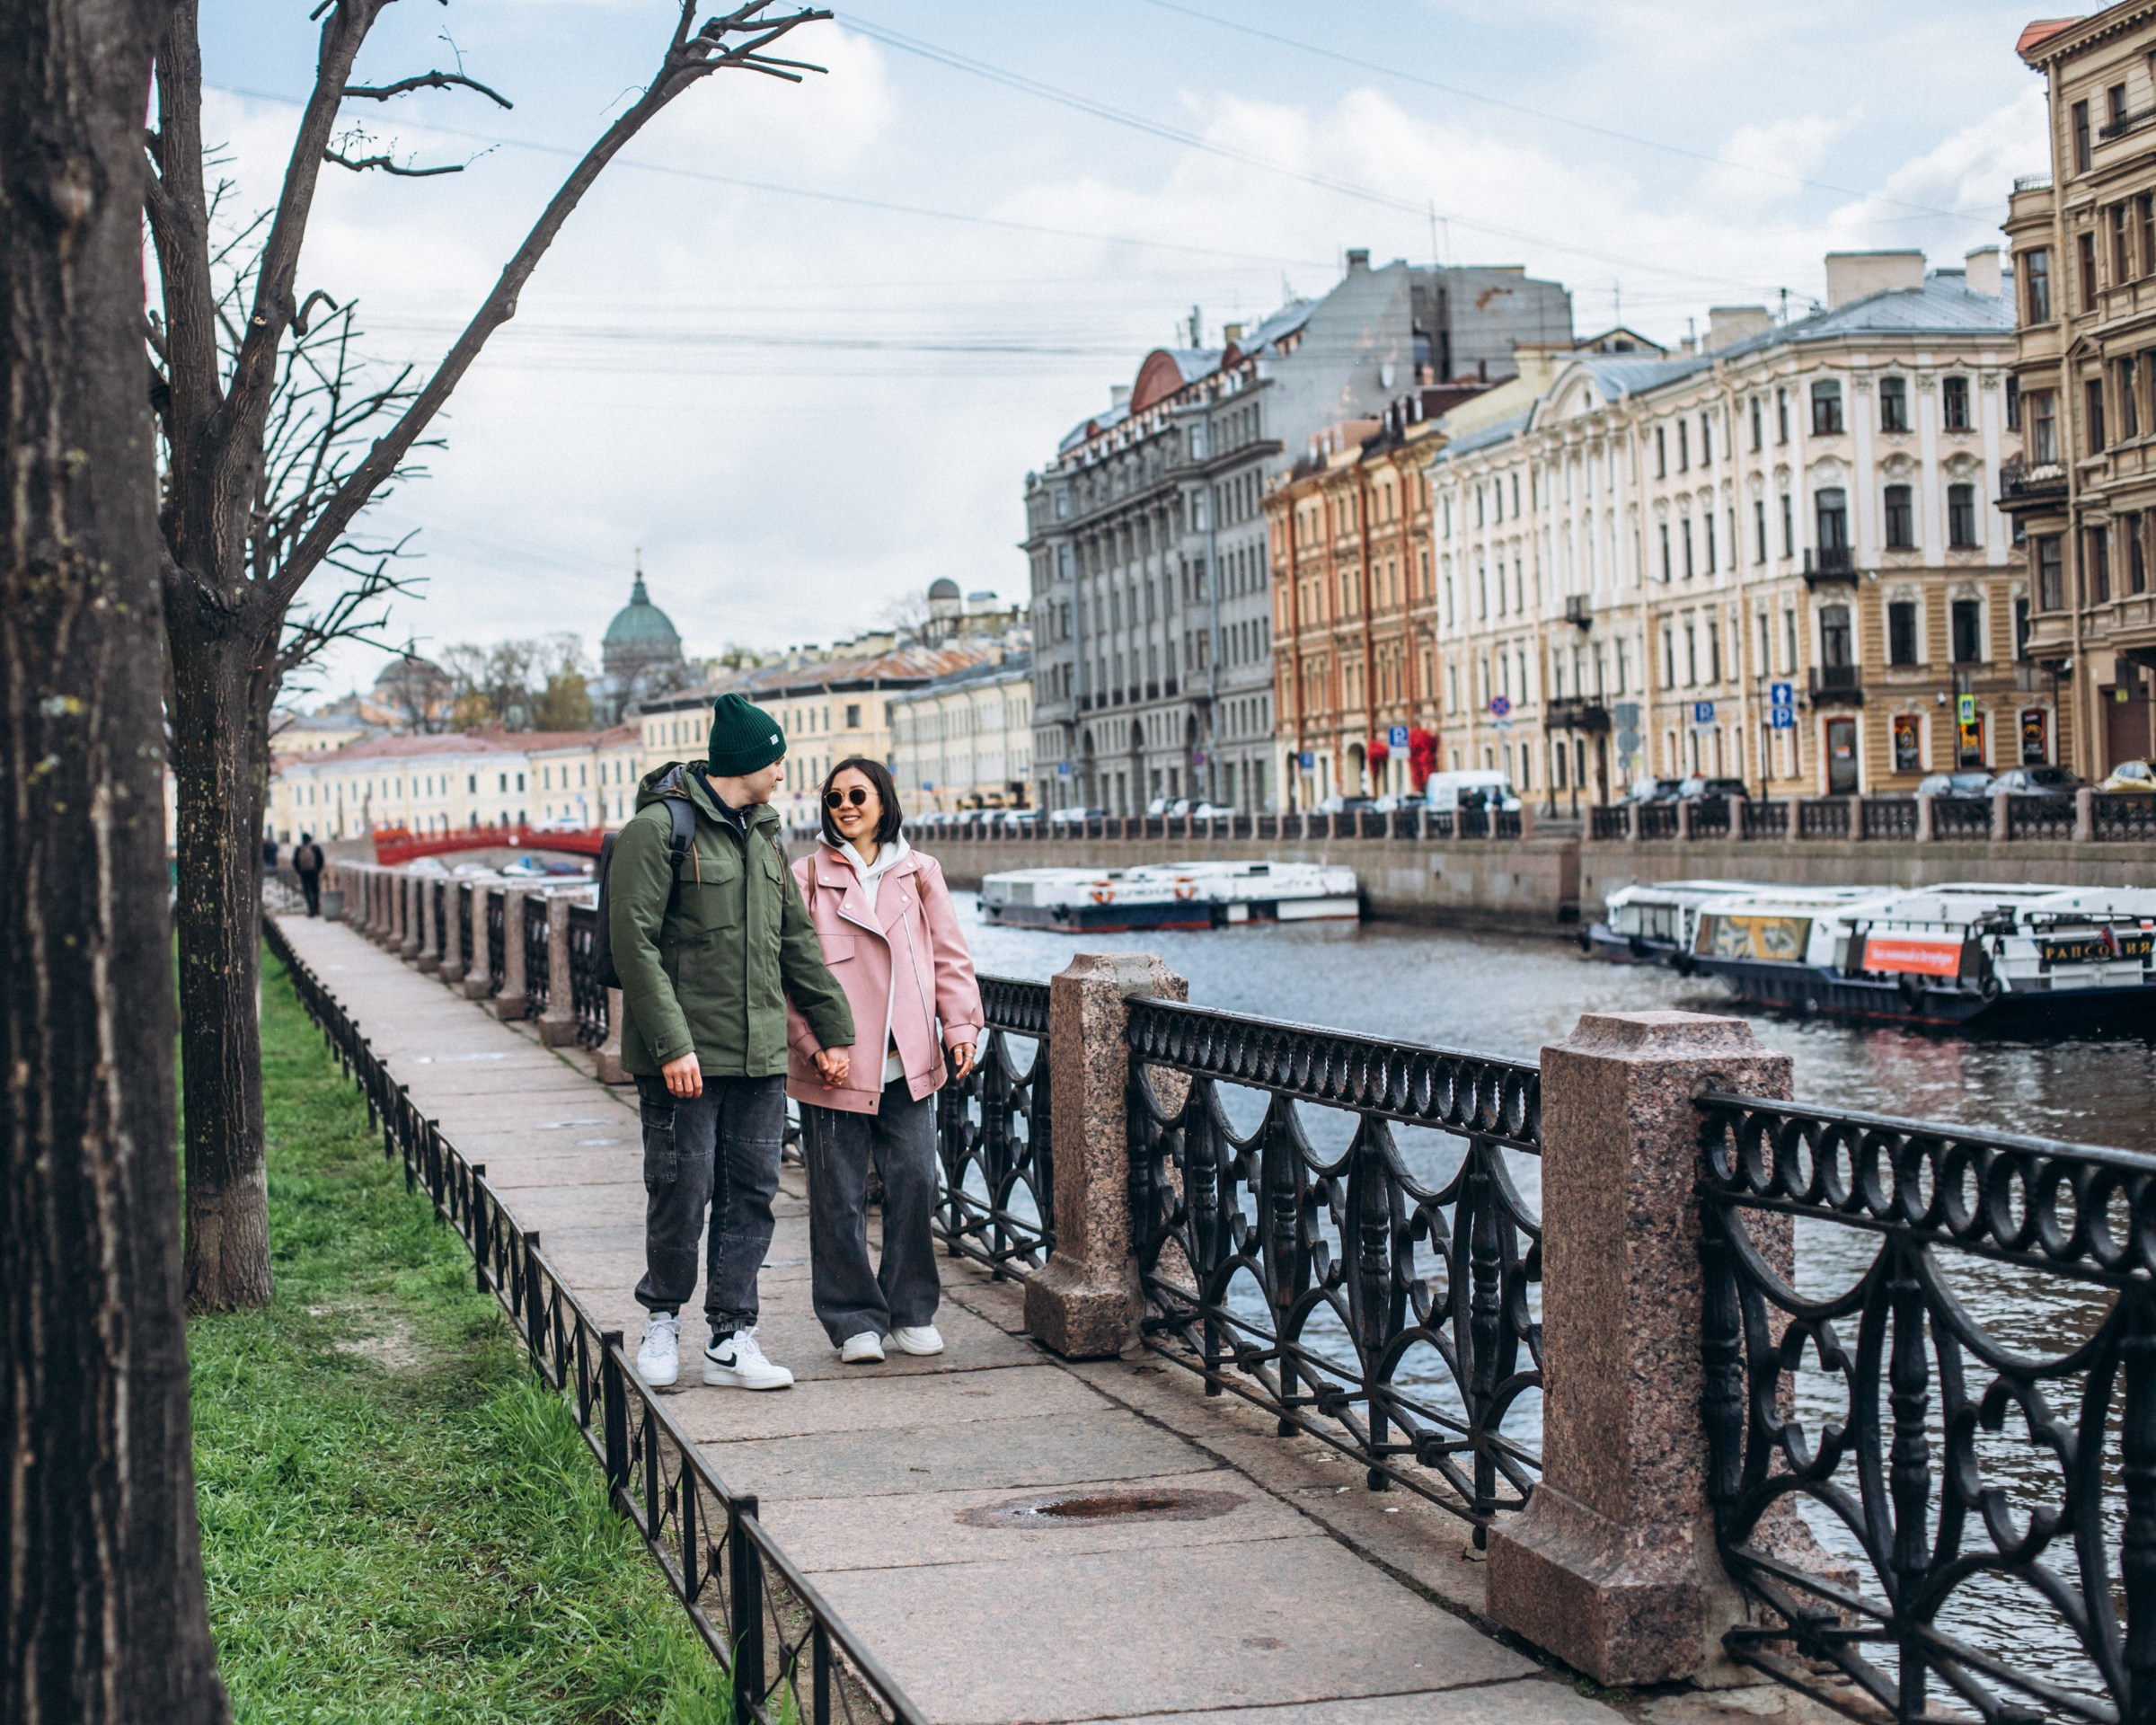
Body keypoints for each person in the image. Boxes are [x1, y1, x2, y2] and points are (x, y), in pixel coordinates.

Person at [612, 693, 854, 1393]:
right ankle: (662, 1321)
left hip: (759, 1059)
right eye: (777, 758)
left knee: (751, 1195)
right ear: (748, 762)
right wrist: (671, 1043)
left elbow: (796, 945)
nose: (783, 770)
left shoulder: (766, 837)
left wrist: (830, 1033)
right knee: (680, 1193)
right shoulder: (657, 831)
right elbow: (635, 946)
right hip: (684, 1059)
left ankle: (731, 1335)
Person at [787, 757, 981, 1364]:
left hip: (912, 1058)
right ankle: (853, 1322)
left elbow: (950, 957)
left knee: (917, 1180)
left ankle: (911, 1311)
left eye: (857, 795)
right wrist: (814, 1045)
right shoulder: (806, 877)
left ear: (883, 801)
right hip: (838, 1063)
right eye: (834, 797)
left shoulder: (921, 872)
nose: (844, 805)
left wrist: (962, 1026)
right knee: (838, 1196)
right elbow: (785, 973)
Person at [292, 833, 325, 917]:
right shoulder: (315, 848)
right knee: (315, 890)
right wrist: (318, 870)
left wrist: (299, 871)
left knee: (307, 892)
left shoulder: (299, 848)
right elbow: (321, 860)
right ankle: (317, 909)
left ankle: (311, 910)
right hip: (314, 872)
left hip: (304, 873)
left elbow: (294, 861)